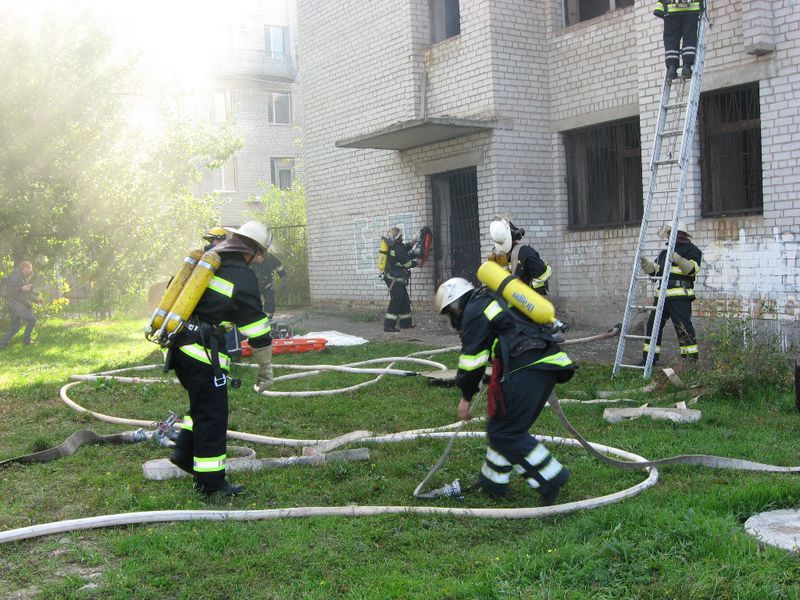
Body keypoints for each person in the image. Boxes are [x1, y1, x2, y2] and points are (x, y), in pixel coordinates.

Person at [434, 277, 575, 505]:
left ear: (455, 305)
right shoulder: (490, 299)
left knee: (506, 433)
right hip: (543, 363)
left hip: (529, 367)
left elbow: (472, 361)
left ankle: (551, 479)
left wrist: (466, 397)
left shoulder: (474, 311)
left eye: (449, 312)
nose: (452, 318)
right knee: (500, 424)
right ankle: (493, 483)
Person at [166, 221, 274, 496]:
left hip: (179, 348)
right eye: (259, 255)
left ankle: (183, 453)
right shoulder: (241, 274)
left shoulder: (207, 262)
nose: (259, 261)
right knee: (213, 416)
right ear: (252, 250)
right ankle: (211, 484)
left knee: (202, 409)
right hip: (202, 354)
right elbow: (257, 328)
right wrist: (266, 368)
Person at [639, 221, 702, 364]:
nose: (667, 235)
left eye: (669, 232)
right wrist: (645, 263)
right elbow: (655, 270)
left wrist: (678, 259)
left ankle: (691, 361)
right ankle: (649, 359)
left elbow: (691, 269)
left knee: (683, 328)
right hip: (662, 297)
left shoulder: (693, 250)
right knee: (653, 326)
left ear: (678, 234)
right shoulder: (664, 253)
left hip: (679, 297)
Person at [489, 216, 552, 295]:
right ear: (513, 234)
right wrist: (547, 268)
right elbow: (543, 274)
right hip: (526, 303)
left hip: (503, 302)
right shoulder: (526, 252)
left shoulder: (493, 257)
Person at [654, 0, 704, 81]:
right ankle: (686, 67)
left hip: (671, 10)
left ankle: (672, 68)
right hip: (691, 9)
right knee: (689, 36)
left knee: (671, 39)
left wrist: (660, 9)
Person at [382, 226, 418, 333]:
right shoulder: (397, 248)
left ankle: (405, 324)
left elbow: (402, 249)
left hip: (394, 277)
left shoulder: (394, 245)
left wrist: (411, 244)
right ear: (398, 236)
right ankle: (388, 326)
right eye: (401, 235)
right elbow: (407, 263)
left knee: (405, 301)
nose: (402, 236)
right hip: (394, 279)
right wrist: (417, 263)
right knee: (396, 300)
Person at [1, 260, 37, 348]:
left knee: (15, 327)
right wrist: (21, 289)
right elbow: (10, 292)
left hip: (15, 304)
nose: (31, 270)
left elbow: (25, 292)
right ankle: (26, 341)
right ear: (25, 268)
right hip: (14, 303)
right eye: (30, 268)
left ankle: (2, 344)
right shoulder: (15, 276)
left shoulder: (24, 277)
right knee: (32, 320)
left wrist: (36, 299)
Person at [250, 251, 287, 319]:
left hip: (268, 284)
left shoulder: (270, 257)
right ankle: (255, 319)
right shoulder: (249, 258)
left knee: (270, 303)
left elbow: (279, 268)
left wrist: (283, 280)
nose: (260, 259)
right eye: (258, 257)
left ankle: (269, 319)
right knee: (253, 304)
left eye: (262, 257)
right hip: (254, 285)